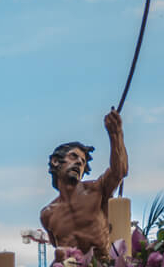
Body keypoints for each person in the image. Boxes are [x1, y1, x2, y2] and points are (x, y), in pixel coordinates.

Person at [40, 109, 127, 261]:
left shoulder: (97, 190)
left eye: (82, 161)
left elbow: (118, 172)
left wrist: (115, 134)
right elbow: (59, 254)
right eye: (73, 156)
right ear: (55, 161)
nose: (79, 162)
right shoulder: (47, 214)